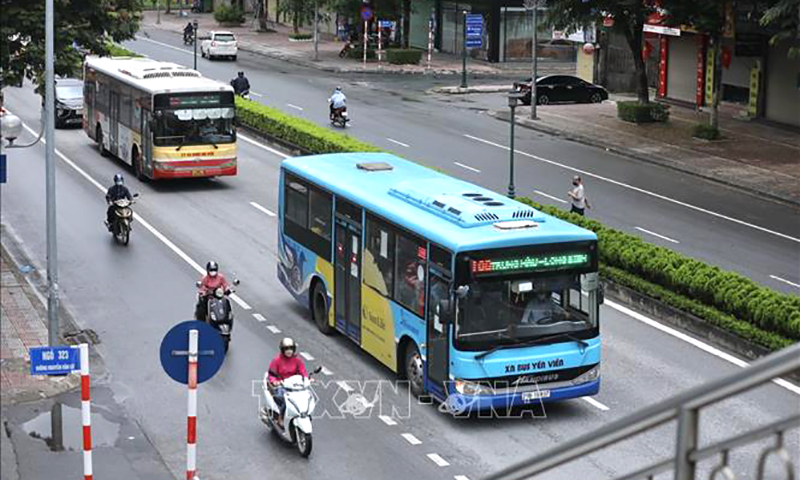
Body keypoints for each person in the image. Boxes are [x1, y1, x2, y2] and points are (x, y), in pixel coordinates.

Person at [267, 337, 308, 426]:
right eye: (286, 349)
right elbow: (271, 374)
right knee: (286, 401)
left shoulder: (297, 360)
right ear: (282, 350)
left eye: (291, 348)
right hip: (281, 386)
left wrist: (307, 379)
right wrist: (275, 381)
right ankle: (280, 418)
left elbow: (303, 371)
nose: (289, 351)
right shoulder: (276, 361)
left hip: (294, 386)